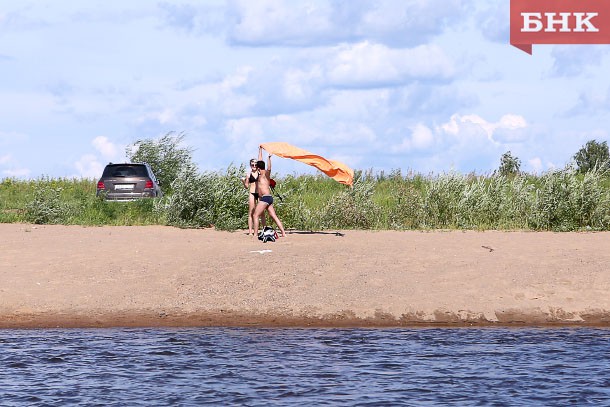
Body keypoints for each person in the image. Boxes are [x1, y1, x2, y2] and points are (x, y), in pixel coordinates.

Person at [252, 147, 286, 238]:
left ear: (259, 168)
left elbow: (269, 168)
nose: (255, 168)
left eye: (256, 167)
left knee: (255, 215)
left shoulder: (265, 174)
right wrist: (260, 149)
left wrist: (269, 158)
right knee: (273, 216)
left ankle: (255, 234)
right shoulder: (260, 174)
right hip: (268, 198)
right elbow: (260, 160)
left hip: (266, 198)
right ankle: (283, 233)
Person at [241, 158, 265, 236]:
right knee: (251, 212)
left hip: (259, 193)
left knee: (262, 212)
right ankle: (250, 232)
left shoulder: (260, 172)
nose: (254, 166)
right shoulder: (249, 174)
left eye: (255, 164)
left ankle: (264, 230)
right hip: (252, 192)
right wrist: (243, 181)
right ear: (250, 165)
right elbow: (246, 186)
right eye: (252, 164)